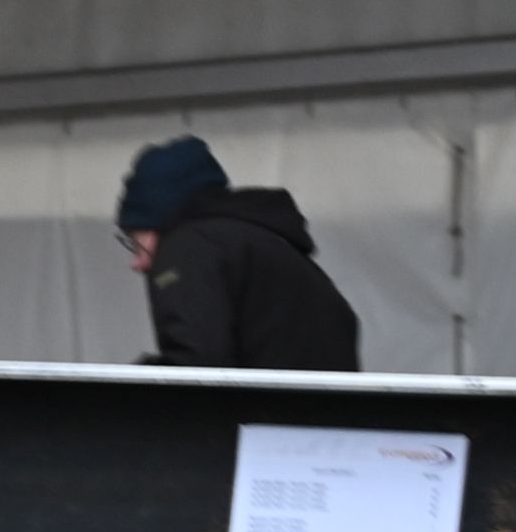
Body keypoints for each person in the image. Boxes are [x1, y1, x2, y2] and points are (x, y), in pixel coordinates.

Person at [117, 137, 362, 371]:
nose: (138, 263)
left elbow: (197, 368)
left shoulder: (188, 247)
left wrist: (118, 390)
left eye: (138, 244)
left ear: (162, 223)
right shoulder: (271, 248)